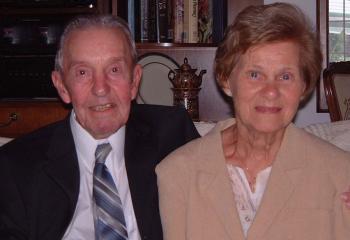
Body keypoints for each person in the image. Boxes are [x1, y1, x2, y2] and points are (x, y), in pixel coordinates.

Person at [156, 3, 350, 240]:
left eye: (285, 76)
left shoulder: (340, 173)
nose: (271, 91)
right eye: (255, 74)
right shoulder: (178, 173)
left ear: (304, 87)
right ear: (226, 79)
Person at [0, 15, 199, 240]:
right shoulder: (16, 168)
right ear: (62, 87)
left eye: (114, 70)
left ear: (134, 81)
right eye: (83, 72)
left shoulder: (172, 137)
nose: (101, 88)